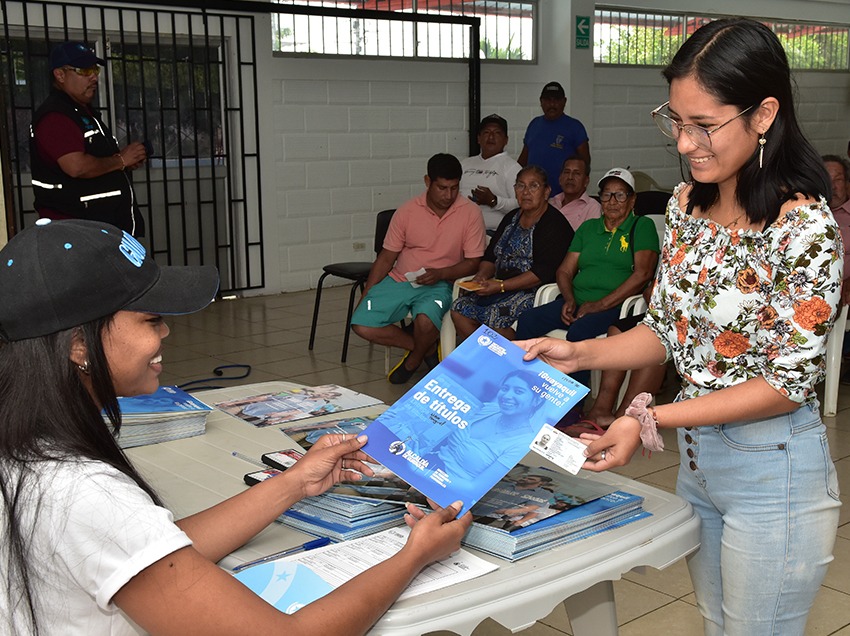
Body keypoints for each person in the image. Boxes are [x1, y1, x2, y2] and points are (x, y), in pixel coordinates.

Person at [519, 18, 842, 636]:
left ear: (764, 115)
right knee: (718, 624)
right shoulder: (687, 203)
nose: (685, 143)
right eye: (675, 121)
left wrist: (649, 418)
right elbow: (667, 328)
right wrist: (580, 355)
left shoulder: (804, 228)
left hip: (772, 470)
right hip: (699, 462)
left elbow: (786, 384)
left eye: (704, 125)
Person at [0, 218, 471, 635]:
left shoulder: (28, 444)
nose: (166, 332)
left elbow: (152, 548)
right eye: (151, 319)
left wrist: (295, 482)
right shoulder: (82, 491)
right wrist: (415, 556)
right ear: (79, 346)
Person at [515, 167, 660, 404]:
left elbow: (642, 274)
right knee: (528, 320)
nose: (612, 202)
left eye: (620, 195)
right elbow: (564, 270)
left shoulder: (641, 226)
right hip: (578, 301)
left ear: (632, 199)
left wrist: (598, 305)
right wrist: (569, 299)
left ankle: (572, 404)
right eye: (607, 195)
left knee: (579, 332)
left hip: (616, 306)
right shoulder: (588, 228)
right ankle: (526, 387)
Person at [352, 153, 486, 384]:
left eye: (454, 188)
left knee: (425, 320)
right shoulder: (407, 211)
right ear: (427, 181)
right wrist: (368, 291)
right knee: (362, 324)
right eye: (442, 188)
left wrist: (441, 274)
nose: (448, 195)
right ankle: (425, 348)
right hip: (400, 280)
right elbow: (386, 257)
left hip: (441, 284)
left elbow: (473, 262)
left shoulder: (470, 212)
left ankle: (412, 361)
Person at [30, 42, 148, 236]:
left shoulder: (81, 111)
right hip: (77, 232)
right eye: (84, 71)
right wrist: (121, 160)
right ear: (60, 75)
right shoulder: (56, 116)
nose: (93, 77)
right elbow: (76, 166)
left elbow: (96, 161)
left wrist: (123, 163)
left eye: (94, 70)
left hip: (100, 228)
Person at [450, 165, 573, 342]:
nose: (526, 192)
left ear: (546, 192)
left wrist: (501, 286)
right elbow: (491, 257)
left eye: (533, 186)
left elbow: (541, 274)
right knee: (459, 309)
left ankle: (510, 358)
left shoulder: (554, 224)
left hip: (533, 291)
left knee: (495, 317)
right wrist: (481, 277)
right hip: (500, 286)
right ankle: (486, 357)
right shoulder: (512, 217)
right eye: (521, 185)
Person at [518, 81, 590, 196]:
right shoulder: (534, 124)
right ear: (541, 101)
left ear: (564, 101)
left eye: (556, 100)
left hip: (563, 198)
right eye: (547, 100)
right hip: (534, 196)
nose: (552, 104)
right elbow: (522, 162)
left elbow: (585, 165)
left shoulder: (575, 127)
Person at [460, 114, 522, 232]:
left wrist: (494, 201)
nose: (491, 137)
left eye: (497, 133)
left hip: (493, 233)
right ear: (478, 138)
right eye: (486, 132)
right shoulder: (465, 164)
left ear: (506, 140)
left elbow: (520, 204)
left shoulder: (512, 167)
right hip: (462, 230)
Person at [548, 155, 602, 231]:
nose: (570, 177)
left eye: (577, 173)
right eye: (567, 172)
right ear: (560, 179)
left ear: (586, 181)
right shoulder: (550, 202)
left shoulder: (592, 208)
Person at [823, 155, 850, 305]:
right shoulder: (807, 215)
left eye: (838, 180)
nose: (832, 187)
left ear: (847, 184)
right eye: (827, 180)